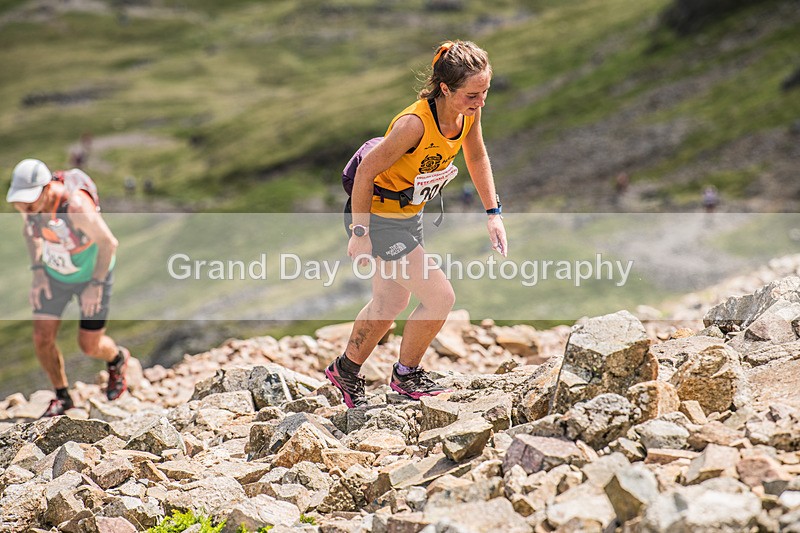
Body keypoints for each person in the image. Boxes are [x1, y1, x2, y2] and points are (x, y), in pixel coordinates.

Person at [327, 40, 508, 408]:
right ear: (445, 88)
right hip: (378, 217)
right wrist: (360, 234)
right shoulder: (413, 125)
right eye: (473, 94)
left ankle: (345, 370)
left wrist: (493, 214)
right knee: (440, 297)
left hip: (410, 214)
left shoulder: (467, 113)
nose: (480, 101)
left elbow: (476, 155)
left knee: (391, 299)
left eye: (485, 91)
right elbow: (366, 172)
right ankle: (407, 376)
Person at [6, 158, 131, 417]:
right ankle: (62, 397)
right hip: (55, 275)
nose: (26, 211)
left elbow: (109, 243)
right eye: (21, 205)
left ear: (47, 188)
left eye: (29, 204)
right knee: (42, 337)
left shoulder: (75, 207)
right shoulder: (31, 207)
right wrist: (38, 272)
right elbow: (30, 232)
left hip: (92, 275)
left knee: (89, 345)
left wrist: (95, 285)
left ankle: (117, 358)